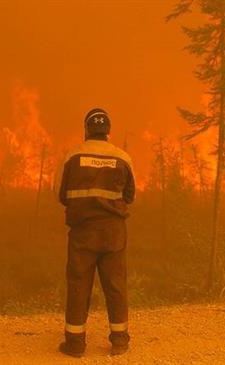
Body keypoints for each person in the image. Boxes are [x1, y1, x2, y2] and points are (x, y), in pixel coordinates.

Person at [57, 108, 135, 357]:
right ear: (108, 132)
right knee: (116, 285)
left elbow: (62, 196)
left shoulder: (73, 156)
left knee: (79, 284)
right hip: (113, 233)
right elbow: (130, 196)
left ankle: (75, 345)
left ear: (86, 130)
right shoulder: (122, 157)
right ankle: (120, 341)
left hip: (83, 233)